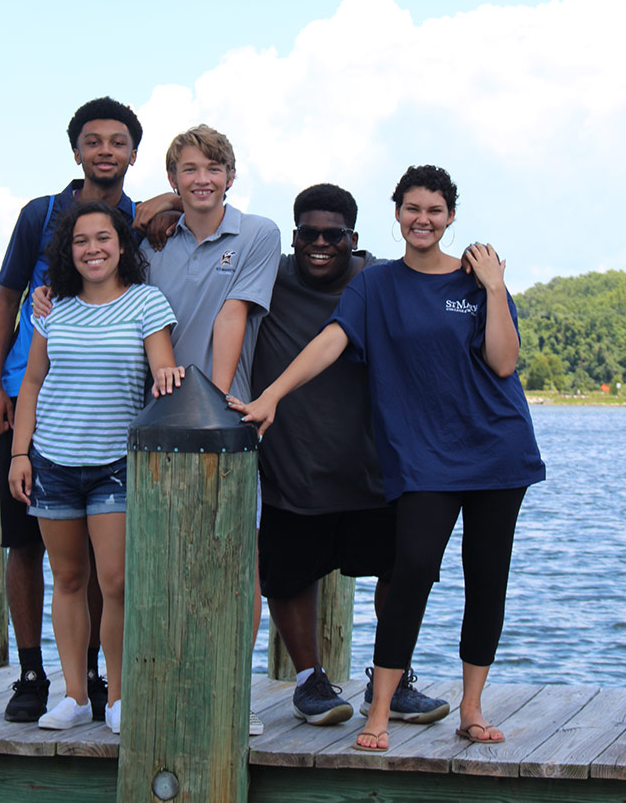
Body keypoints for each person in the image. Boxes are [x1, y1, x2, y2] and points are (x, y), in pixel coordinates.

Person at [228, 165, 545, 751]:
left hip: (498, 453)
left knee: (487, 580)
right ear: (396, 213)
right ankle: (378, 713)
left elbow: (503, 363)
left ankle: (472, 709)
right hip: (424, 460)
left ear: (451, 217)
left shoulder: (478, 281)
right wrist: (272, 394)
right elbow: (331, 340)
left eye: (435, 211)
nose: (423, 220)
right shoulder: (375, 285)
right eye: (412, 209)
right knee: (412, 575)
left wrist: (496, 289)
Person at [36, 123, 281, 735]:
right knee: (152, 569)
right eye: (188, 172)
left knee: (233, 563)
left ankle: (232, 690)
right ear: (172, 178)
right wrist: (51, 300)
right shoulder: (149, 241)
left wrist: (217, 405)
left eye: (213, 169)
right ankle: (151, 686)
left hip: (222, 422)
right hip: (148, 437)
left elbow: (233, 316)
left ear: (232, 175)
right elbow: (106, 281)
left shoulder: (257, 234)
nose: (202, 180)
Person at [253, 183, 449, 727]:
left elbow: (441, 292)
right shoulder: (266, 275)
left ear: (354, 239)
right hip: (294, 463)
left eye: (332, 235)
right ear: (293, 237)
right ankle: (310, 681)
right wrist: (165, 203)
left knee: (402, 568)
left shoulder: (381, 279)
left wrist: (486, 277)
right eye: (308, 234)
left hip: (376, 463)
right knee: (289, 576)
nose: (320, 244)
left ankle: (392, 677)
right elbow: (208, 220)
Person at [0, 96, 143, 722]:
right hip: (30, 399)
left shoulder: (134, 217)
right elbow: (7, 300)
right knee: (25, 544)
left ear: (133, 152)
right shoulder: (40, 214)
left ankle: (97, 679)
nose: (106, 150)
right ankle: (31, 672)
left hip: (102, 413)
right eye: (94, 140)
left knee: (106, 561)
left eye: (118, 141)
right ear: (76, 149)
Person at [8, 202, 182, 733]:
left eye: (103, 238)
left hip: (115, 465)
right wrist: (20, 453)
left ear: (122, 245)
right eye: (81, 241)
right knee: (67, 579)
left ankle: (120, 697)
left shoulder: (146, 303)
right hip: (53, 462)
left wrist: (167, 376)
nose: (93, 249)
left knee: (115, 583)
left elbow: (162, 366)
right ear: (70, 252)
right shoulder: (52, 308)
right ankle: (76, 696)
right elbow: (33, 382)